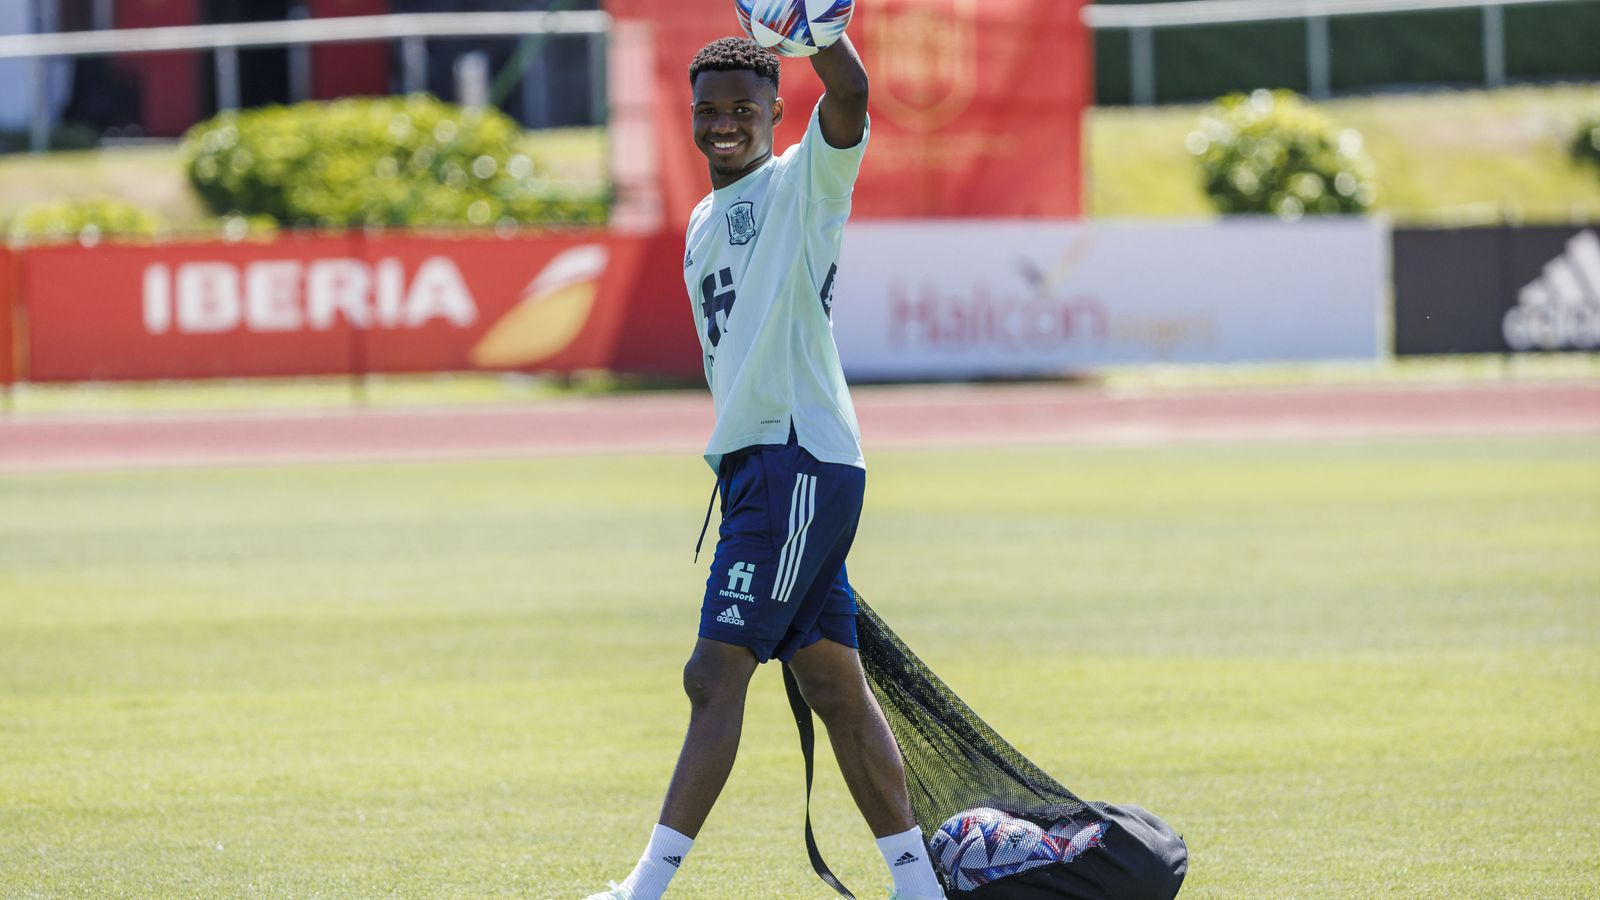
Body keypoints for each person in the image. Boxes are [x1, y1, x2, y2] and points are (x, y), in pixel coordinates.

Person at [584, 31, 945, 900]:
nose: (724, 124)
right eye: (709, 109)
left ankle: (644, 888)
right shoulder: (705, 220)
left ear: (777, 112)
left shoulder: (803, 183)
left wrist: (822, 35)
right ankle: (919, 886)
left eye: (745, 109)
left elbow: (852, 97)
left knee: (713, 675)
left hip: (798, 464)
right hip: (759, 471)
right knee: (832, 685)